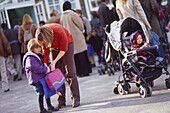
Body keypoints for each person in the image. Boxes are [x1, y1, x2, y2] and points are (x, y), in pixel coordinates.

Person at [35, 23, 80, 108]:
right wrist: (46, 65)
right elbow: (45, 50)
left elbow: (63, 49)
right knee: (55, 74)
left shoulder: (59, 32)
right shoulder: (42, 34)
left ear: (47, 38)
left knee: (70, 72)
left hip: (67, 45)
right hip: (54, 48)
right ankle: (61, 100)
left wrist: (54, 62)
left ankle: (76, 98)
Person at [22, 39, 59, 113]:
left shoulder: (37, 55)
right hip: (36, 79)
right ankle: (42, 109)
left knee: (46, 92)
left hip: (41, 78)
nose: (39, 49)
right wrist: (46, 69)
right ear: (31, 48)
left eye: (39, 47)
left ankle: (49, 106)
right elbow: (35, 67)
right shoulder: (30, 57)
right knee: (41, 93)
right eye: (36, 47)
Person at [60, 1, 92, 76]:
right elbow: (80, 25)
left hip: (68, 38)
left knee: (75, 57)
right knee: (82, 55)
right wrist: (81, 31)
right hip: (77, 37)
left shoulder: (62, 16)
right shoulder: (72, 14)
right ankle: (85, 71)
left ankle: (79, 72)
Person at [0, 28, 12, 92]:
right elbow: (5, 42)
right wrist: (9, 52)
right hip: (0, 54)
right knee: (3, 70)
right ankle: (5, 87)